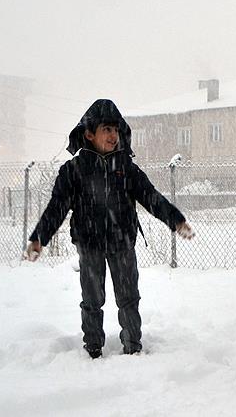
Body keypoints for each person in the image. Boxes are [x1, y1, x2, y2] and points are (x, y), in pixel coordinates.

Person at [24, 99, 194, 359]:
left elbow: (151, 197)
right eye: (107, 129)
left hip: (122, 241)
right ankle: (93, 348)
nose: (113, 135)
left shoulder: (126, 168)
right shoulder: (74, 171)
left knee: (129, 297)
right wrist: (39, 238)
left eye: (116, 130)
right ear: (89, 134)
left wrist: (176, 220)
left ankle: (133, 347)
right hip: (89, 243)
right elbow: (57, 207)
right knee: (92, 300)